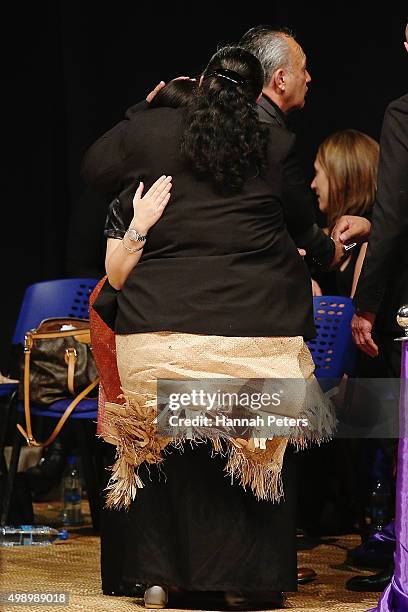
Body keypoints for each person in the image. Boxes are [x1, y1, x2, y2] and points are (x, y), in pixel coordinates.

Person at [82, 46, 334, 610]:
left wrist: (141, 108)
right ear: (257, 94)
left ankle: (156, 577)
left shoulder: (151, 134)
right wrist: (328, 252)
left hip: (158, 334)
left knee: (167, 441)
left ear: (197, 83)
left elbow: (94, 168)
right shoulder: (274, 144)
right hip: (256, 338)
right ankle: (248, 576)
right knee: (246, 433)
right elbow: (306, 231)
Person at [346, 24, 408, 598]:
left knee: (404, 429)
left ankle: (402, 558)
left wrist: (367, 307)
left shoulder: (404, 114)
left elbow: (393, 216)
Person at [238, 26, 371, 272]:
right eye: (302, 69)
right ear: (281, 79)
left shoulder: (234, 122)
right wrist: (350, 242)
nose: (308, 78)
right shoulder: (272, 140)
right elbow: (305, 237)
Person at [310, 129, 379, 298]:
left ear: (340, 177)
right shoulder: (318, 240)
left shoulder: (373, 240)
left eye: (318, 173)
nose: (313, 184)